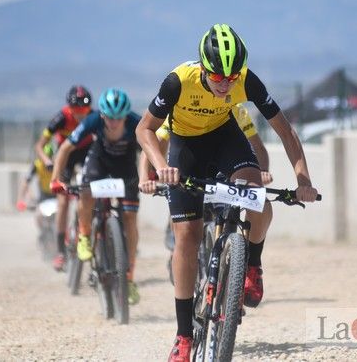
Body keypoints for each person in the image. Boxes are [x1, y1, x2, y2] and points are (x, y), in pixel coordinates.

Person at [136, 23, 319, 361]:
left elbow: (286, 132)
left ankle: (252, 264)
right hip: (185, 149)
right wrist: (161, 165)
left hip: (224, 138)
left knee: (256, 192)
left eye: (232, 78)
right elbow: (144, 128)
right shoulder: (178, 80)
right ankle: (183, 336)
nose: (226, 85)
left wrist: (303, 179)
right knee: (187, 236)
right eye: (218, 78)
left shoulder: (246, 79)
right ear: (204, 69)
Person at [138, 103, 273, 283]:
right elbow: (153, 143)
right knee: (183, 207)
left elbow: (259, 148)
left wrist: (260, 173)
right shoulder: (182, 106)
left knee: (229, 213)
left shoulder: (236, 109)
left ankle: (232, 276)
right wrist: (145, 178)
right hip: (190, 166)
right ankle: (177, 247)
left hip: (221, 170)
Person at [50, 87, 143, 305]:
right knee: (85, 192)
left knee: (130, 219)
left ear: (126, 116)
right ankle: (84, 234)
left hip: (126, 167)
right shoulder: (92, 121)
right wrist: (56, 179)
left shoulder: (135, 123)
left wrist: (152, 174)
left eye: (118, 118)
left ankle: (128, 278)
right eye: (109, 118)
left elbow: (152, 146)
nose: (113, 122)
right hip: (98, 163)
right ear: (102, 115)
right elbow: (64, 149)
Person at [36, 85, 94, 271]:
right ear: (69, 108)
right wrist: (47, 161)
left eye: (84, 110)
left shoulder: (94, 116)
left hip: (86, 153)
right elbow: (40, 145)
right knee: (62, 202)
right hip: (66, 157)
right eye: (76, 110)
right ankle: (60, 251)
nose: (80, 114)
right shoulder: (60, 118)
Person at [16, 142, 56, 212]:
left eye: (49, 157)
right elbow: (26, 181)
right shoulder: (37, 165)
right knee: (39, 215)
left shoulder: (56, 165)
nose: (46, 160)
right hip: (44, 195)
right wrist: (21, 199)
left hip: (56, 195)